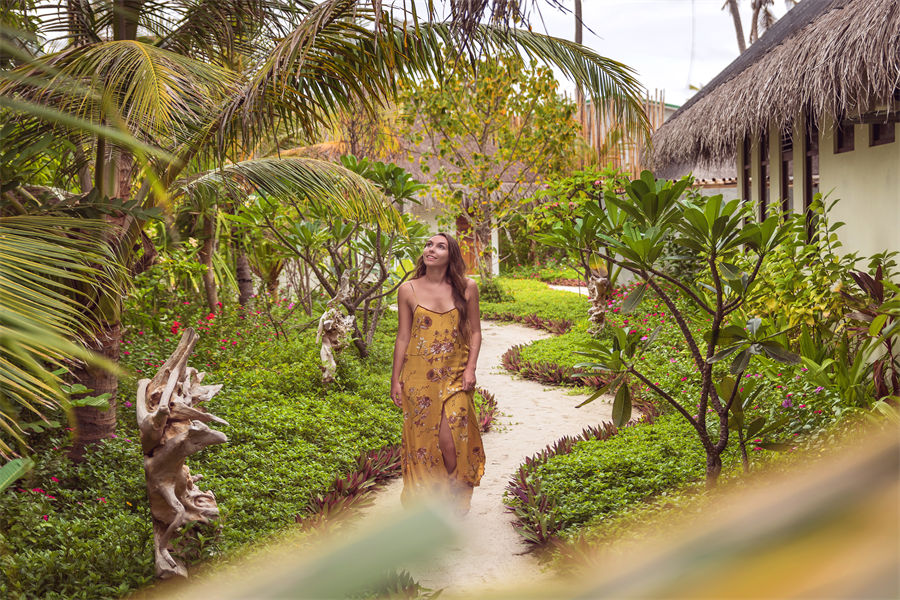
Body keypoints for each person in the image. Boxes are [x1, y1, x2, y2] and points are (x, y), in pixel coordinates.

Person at [390, 233, 485, 513]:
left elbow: (475, 332)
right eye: (429, 245)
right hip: (418, 378)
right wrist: (395, 380)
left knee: (452, 439)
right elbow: (403, 337)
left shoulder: (467, 287)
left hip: (456, 374)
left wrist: (471, 368)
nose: (431, 249)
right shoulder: (408, 289)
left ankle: (455, 494)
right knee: (423, 442)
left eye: (440, 246)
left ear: (451, 255)